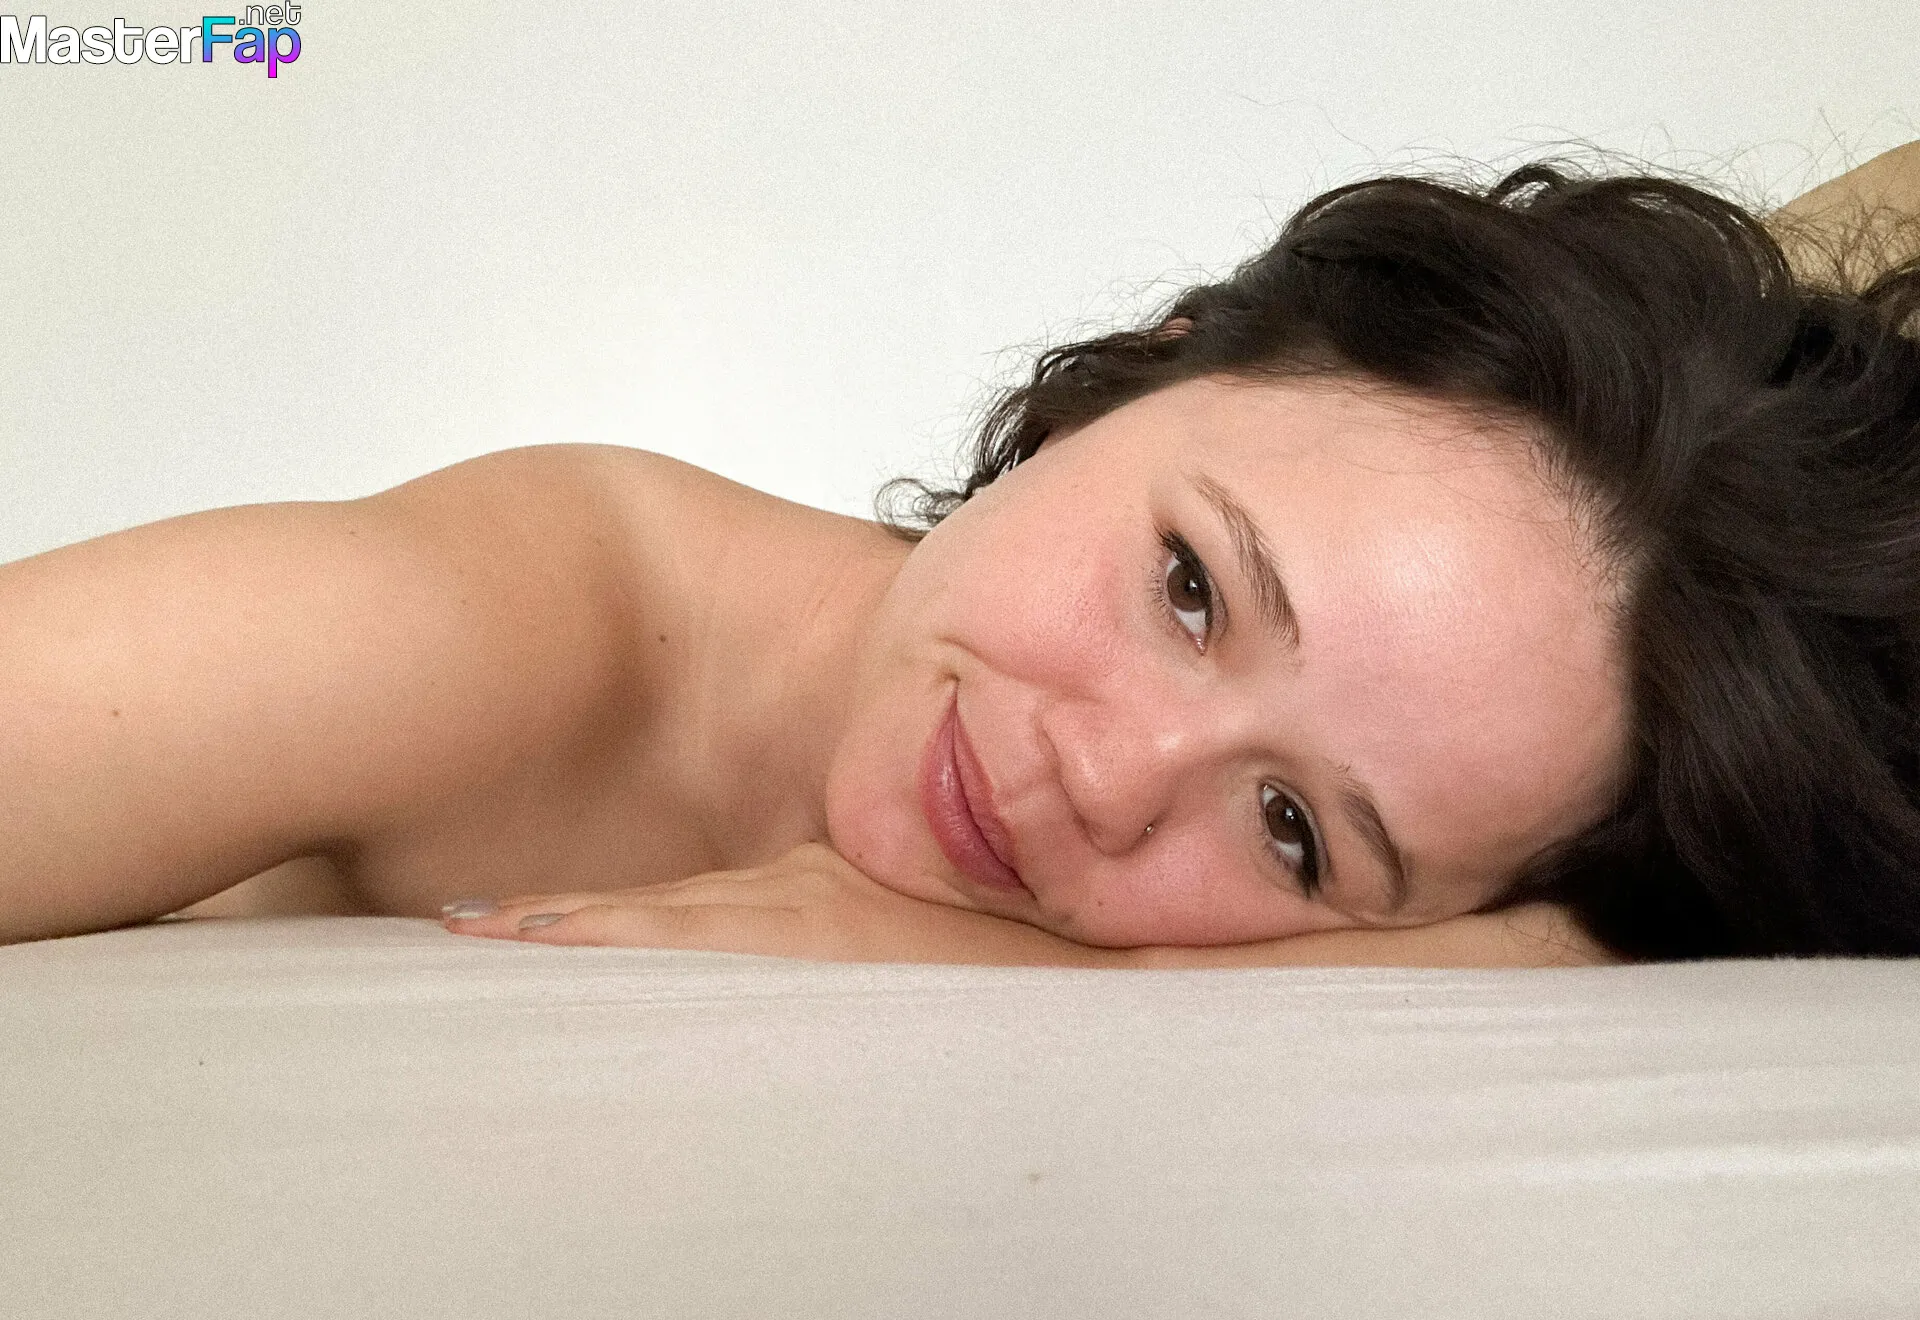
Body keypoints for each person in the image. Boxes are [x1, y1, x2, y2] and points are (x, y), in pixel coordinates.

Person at [4, 145, 1917, 968]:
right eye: (1191, 587)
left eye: (1292, 834)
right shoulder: (490, 630)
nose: (1109, 778)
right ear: (1137, 373)